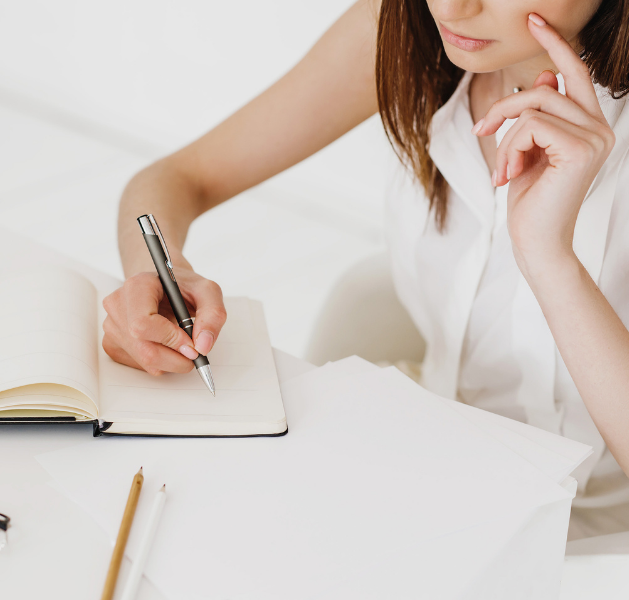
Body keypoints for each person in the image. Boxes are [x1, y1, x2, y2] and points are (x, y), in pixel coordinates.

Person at [101, 0, 629, 539]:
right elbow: (178, 178)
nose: (450, 6)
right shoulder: (406, 28)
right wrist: (157, 275)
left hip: (598, 536)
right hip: (426, 467)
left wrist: (550, 259)